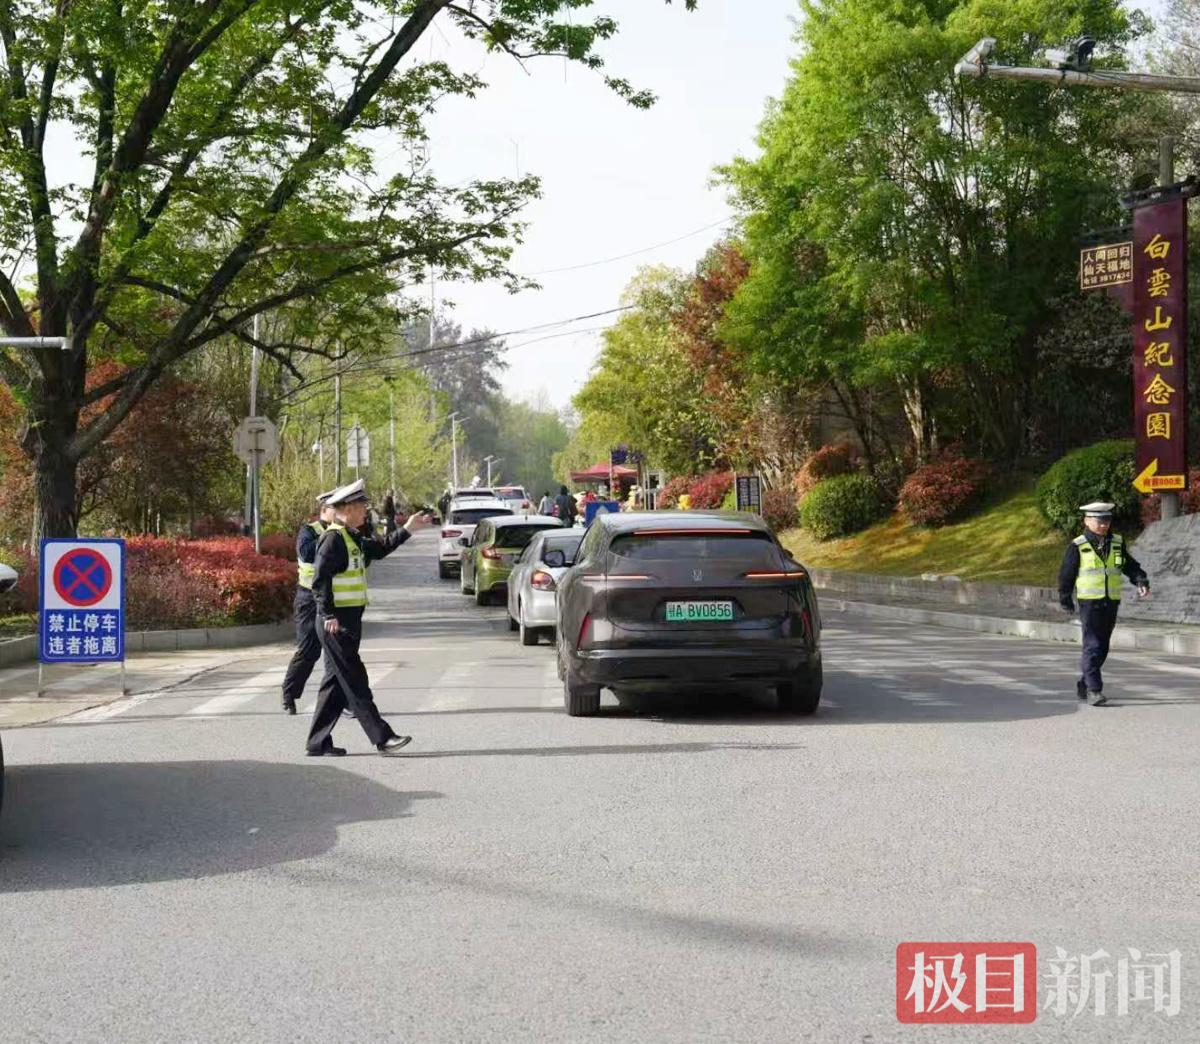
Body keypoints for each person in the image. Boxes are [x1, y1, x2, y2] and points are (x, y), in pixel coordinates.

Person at [306, 479, 433, 755]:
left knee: (335, 684)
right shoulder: (332, 539)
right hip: (335, 623)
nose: (366, 511)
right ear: (349, 509)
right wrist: (328, 614)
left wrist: (408, 529)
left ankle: (317, 742)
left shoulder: (350, 536)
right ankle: (382, 737)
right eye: (362, 506)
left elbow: (380, 548)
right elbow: (320, 580)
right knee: (355, 681)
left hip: (348, 620)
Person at [1058, 501, 1150, 706]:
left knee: (1103, 646)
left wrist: (1141, 580)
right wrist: (1065, 598)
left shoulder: (1115, 543)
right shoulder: (1078, 545)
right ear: (1087, 521)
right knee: (1092, 645)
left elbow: (1127, 565)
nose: (1104, 525)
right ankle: (1094, 690)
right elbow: (1066, 574)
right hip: (1090, 603)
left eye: (1107, 521)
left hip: (1111, 602)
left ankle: (1085, 682)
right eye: (1099, 521)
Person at [280, 488, 338, 715]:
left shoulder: (345, 532)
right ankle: (289, 693)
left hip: (334, 598)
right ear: (324, 510)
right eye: (336, 508)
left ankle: (343, 700)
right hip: (309, 598)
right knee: (309, 650)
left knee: (337, 652)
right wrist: (330, 538)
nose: (340, 512)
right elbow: (306, 553)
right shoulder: (309, 530)